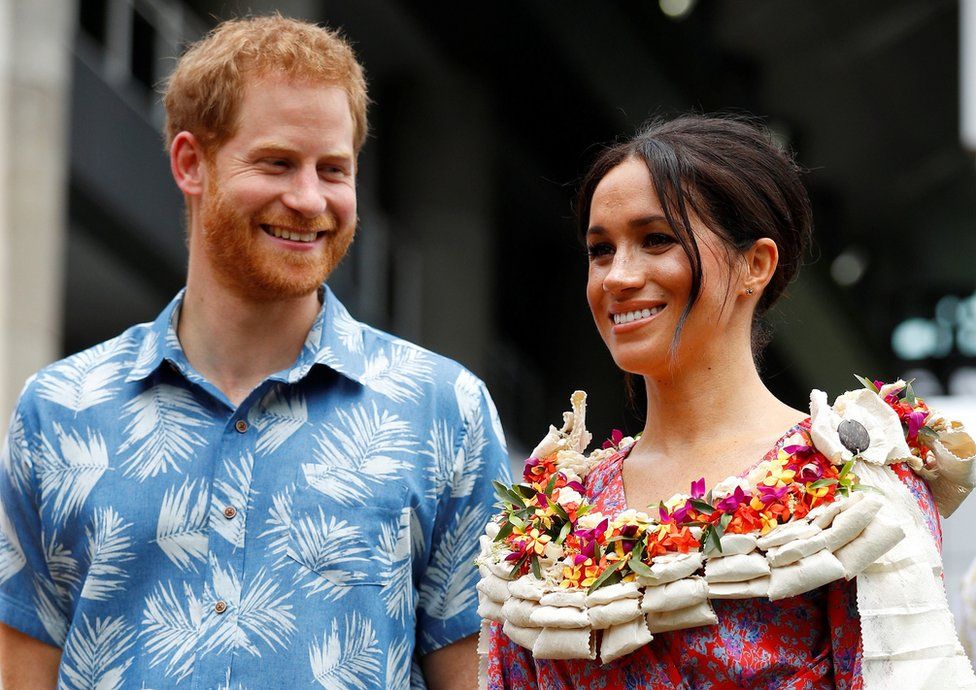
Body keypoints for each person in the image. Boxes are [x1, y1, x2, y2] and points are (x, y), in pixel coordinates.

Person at [0, 15, 509, 690]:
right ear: (190, 163)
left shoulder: (447, 412)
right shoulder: (60, 409)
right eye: (276, 163)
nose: (308, 199)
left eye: (333, 169)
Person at [481, 115, 976, 688]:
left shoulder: (850, 486)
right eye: (599, 249)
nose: (617, 276)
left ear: (756, 265)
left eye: (656, 240)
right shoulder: (552, 515)